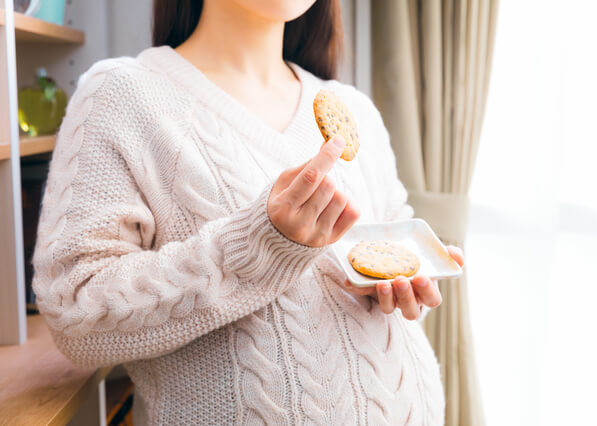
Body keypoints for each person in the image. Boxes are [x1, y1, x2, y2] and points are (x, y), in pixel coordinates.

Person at [32, 0, 464, 424]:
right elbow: (76, 314)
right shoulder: (121, 96)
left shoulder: (355, 111)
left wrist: (403, 288)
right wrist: (258, 246)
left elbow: (388, 260)